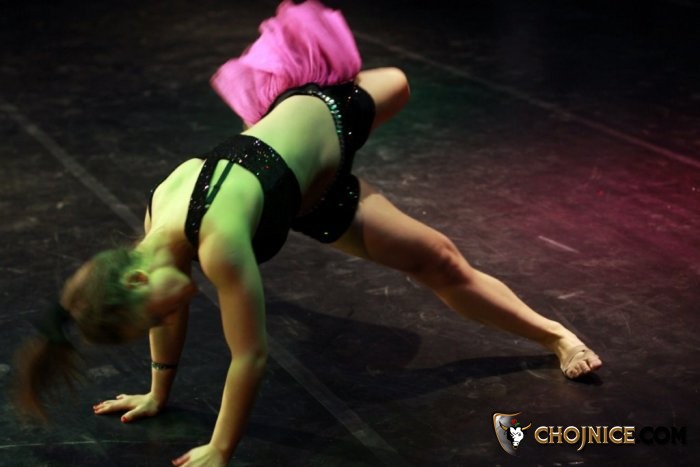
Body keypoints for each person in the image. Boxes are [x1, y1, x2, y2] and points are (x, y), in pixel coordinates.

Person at [13, 1, 601, 465]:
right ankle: (558, 338)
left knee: (398, 84)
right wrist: (158, 392)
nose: (168, 317)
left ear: (137, 277)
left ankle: (306, 98)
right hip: (310, 201)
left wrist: (220, 449)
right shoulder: (156, 235)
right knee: (440, 261)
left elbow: (250, 355)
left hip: (329, 114)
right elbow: (171, 318)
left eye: (153, 312)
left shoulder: (216, 241)